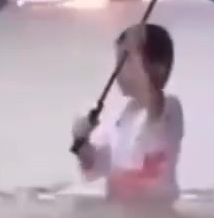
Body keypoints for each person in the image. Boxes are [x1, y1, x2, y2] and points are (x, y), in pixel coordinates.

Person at [71, 24, 184, 203]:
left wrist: (139, 62)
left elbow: (154, 110)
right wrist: (83, 144)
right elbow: (98, 166)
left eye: (125, 62)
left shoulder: (169, 108)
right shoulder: (122, 117)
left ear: (155, 67)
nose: (116, 72)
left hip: (156, 217)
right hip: (121, 215)